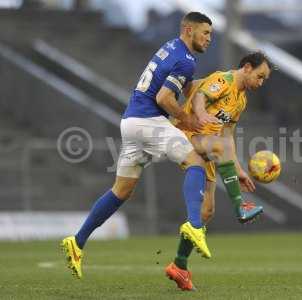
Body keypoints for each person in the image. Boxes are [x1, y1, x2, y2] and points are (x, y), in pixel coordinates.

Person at [60, 11, 214, 279]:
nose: (209, 38)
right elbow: (165, 97)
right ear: (189, 30)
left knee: (121, 190)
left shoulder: (171, 47)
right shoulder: (186, 60)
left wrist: (200, 107)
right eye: (205, 33)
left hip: (130, 122)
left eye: (211, 34)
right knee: (196, 160)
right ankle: (195, 225)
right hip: (148, 120)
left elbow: (188, 88)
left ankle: (77, 241)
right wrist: (187, 119)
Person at [165, 51, 275, 291]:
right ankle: (240, 205)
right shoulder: (223, 79)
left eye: (264, 79)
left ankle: (179, 266)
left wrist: (239, 169)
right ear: (247, 67)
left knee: (207, 212)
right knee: (219, 146)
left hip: (212, 145)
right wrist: (202, 114)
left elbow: (227, 136)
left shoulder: (241, 100)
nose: (261, 82)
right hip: (186, 135)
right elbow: (199, 97)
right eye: (260, 76)